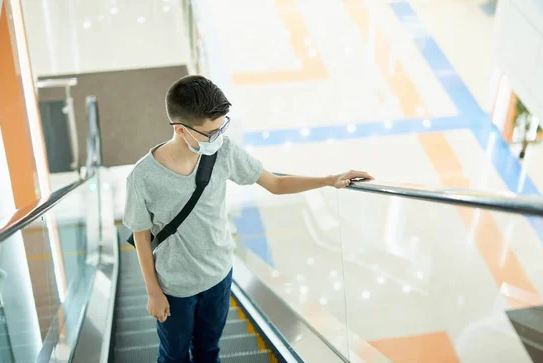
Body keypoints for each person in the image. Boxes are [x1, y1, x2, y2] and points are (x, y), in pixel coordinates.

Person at [123, 75, 373, 363]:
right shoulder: (143, 177)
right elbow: (141, 236)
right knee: (174, 356)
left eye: (222, 128)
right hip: (173, 287)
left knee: (209, 352)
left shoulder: (224, 151)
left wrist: (329, 180)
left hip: (218, 277)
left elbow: (275, 184)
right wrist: (153, 291)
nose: (219, 137)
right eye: (211, 133)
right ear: (181, 130)